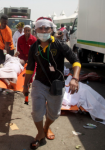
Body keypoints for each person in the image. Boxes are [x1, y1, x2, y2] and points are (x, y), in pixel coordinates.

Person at [22, 17, 81, 149]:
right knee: (36, 111)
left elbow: (75, 61)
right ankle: (40, 134)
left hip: (57, 84)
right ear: (35, 30)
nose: (43, 31)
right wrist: (25, 85)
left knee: (54, 114)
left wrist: (75, 78)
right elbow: (30, 68)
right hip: (39, 84)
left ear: (51, 30)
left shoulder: (60, 45)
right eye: (40, 28)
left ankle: (46, 127)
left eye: (46, 28)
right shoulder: (34, 48)